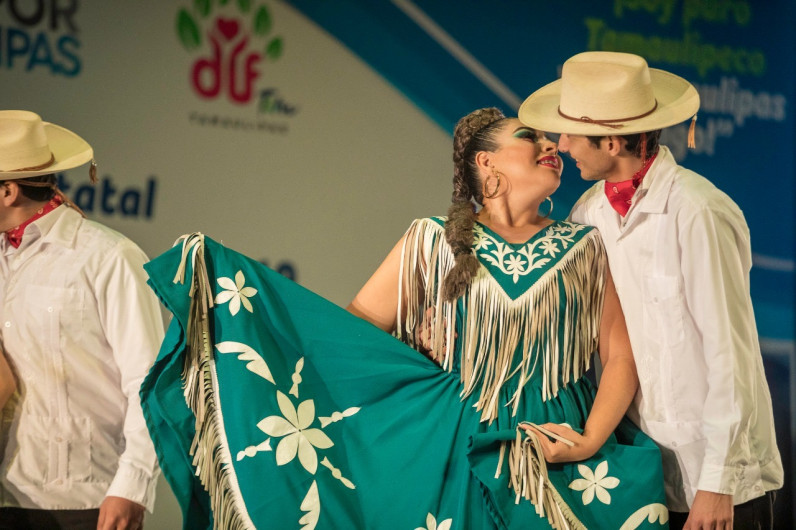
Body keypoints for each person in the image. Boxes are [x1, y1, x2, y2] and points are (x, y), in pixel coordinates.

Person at [141, 107, 669, 529]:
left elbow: (620, 355)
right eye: (531, 137)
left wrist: (591, 439)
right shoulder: (429, 241)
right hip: (449, 448)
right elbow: (349, 339)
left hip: (557, 452)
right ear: (486, 163)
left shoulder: (583, 246)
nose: (553, 145)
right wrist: (411, 372)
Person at [519, 51, 784, 530]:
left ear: (614, 140)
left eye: (572, 133)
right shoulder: (588, 213)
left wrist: (716, 484)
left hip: (719, 483)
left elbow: (731, 354)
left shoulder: (697, 211)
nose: (562, 144)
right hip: (642, 476)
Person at [0, 110, 164, 530]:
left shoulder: (108, 257)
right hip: (8, 496)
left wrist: (132, 484)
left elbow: (149, 382)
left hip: (88, 501)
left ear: (8, 192)